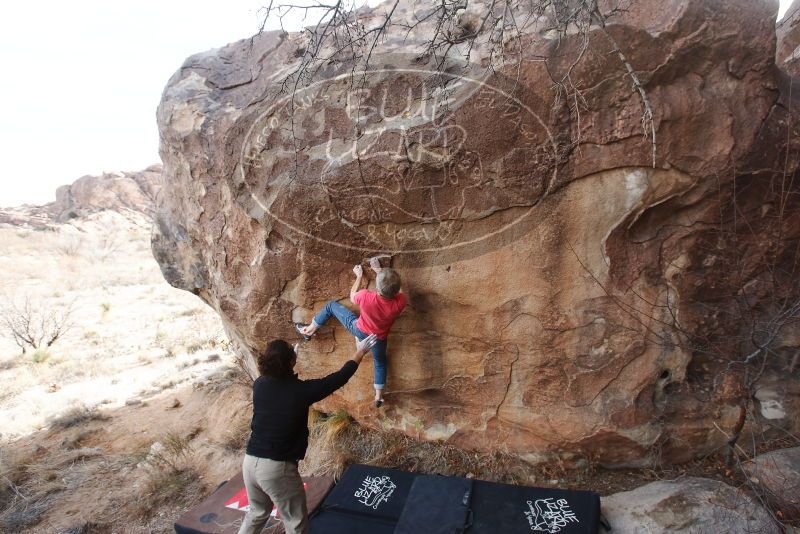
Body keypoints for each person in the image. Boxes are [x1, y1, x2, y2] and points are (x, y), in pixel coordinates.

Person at [239, 334, 378, 534]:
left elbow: (278, 379)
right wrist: (360, 351)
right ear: (289, 362)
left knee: (257, 512)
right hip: (276, 469)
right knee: (295, 522)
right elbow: (337, 379)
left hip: (250, 462)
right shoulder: (300, 391)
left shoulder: (260, 384)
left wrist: (288, 361)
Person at [295, 258, 406, 407]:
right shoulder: (400, 302)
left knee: (331, 306)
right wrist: (380, 272)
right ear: (395, 292)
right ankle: (378, 395)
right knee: (380, 362)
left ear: (378, 288)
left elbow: (353, 296)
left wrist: (359, 276)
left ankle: (309, 330)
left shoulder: (366, 296)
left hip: (359, 329)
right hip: (377, 339)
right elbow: (400, 292)